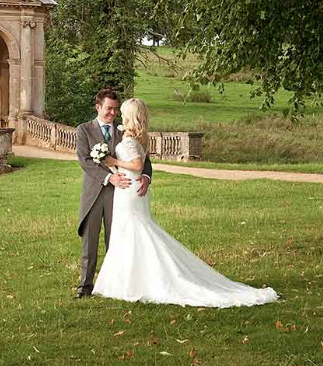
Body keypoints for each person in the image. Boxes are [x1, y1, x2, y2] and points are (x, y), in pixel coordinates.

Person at [93, 97, 279, 307]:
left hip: (130, 189)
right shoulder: (138, 136)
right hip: (129, 188)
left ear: (130, 115)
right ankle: (127, 280)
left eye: (123, 111)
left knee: (134, 229)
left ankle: (139, 281)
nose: (118, 113)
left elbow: (137, 164)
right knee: (132, 229)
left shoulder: (128, 137)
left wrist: (112, 161)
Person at [75, 88, 153, 299]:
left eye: (116, 109)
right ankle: (85, 285)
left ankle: (116, 283)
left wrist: (146, 177)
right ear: (98, 107)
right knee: (90, 241)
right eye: (109, 108)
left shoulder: (124, 130)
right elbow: (85, 161)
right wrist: (110, 177)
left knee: (117, 239)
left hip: (121, 194)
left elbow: (144, 158)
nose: (112, 113)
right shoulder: (84, 130)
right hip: (94, 192)